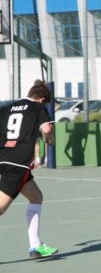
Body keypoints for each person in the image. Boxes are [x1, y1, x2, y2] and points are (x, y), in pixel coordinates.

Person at [0, 80, 58, 259]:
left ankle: (36, 246)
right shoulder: (37, 108)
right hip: (17, 164)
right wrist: (50, 138)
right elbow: (47, 128)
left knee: (36, 197)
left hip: (3, 159)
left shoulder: (7, 108)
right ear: (42, 100)